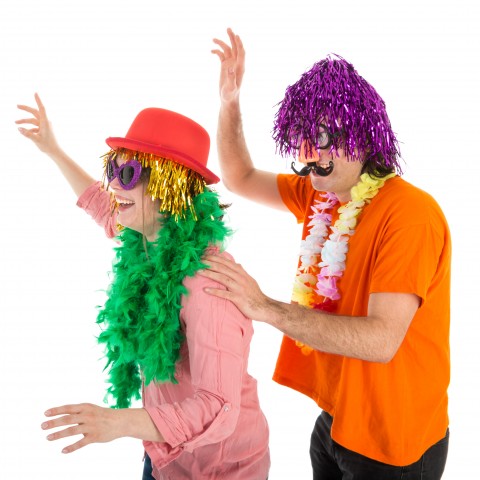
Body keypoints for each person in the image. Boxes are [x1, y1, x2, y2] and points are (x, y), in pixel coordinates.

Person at [202, 29, 451, 479]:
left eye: (321, 137)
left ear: (363, 136)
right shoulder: (324, 193)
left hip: (393, 443)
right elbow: (239, 177)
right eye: (300, 136)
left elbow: (381, 341)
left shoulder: (411, 214)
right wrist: (229, 103)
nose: (307, 154)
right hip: (336, 421)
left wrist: (264, 307)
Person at [16, 93, 270, 480]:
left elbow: (218, 407)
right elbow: (101, 206)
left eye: (130, 175)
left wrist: (116, 423)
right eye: (113, 172)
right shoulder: (148, 238)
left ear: (171, 187)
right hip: (165, 453)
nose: (116, 186)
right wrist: (53, 149)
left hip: (220, 469)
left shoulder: (208, 285)